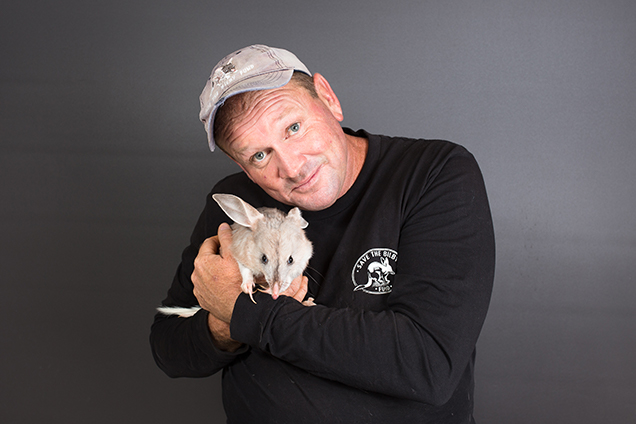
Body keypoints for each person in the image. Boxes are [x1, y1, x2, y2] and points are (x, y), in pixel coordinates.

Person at [150, 44, 495, 424]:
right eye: (259, 155)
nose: (292, 168)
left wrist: (242, 311)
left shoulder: (433, 174)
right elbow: (169, 347)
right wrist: (221, 324)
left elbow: (427, 364)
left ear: (328, 98)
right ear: (242, 166)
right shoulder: (236, 207)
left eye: (293, 128)